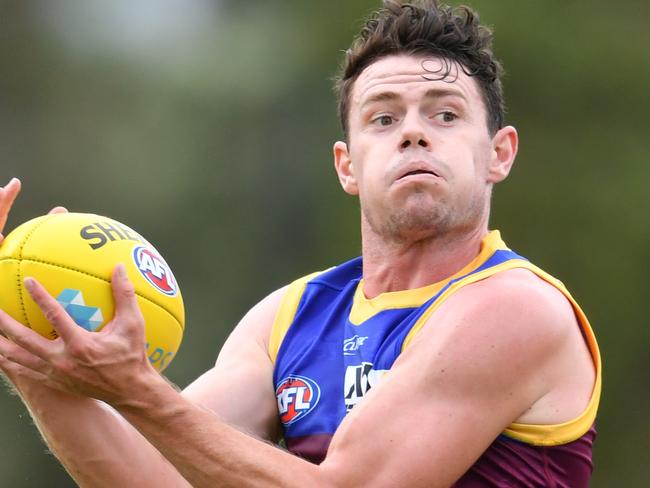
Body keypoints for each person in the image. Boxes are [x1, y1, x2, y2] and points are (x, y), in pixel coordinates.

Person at [0, 1, 601, 486]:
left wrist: (136, 390)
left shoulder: (516, 309)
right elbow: (150, 474)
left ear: (499, 154)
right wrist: (24, 341)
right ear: (346, 165)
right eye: (383, 118)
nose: (414, 132)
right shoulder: (288, 318)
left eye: (445, 115)